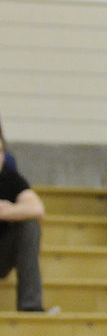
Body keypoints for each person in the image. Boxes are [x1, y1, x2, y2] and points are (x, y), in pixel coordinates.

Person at [0, 122, 47, 313]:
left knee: (30, 225)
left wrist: (5, 211)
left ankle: (30, 306)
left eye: (0, 151)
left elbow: (37, 209)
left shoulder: (9, 178)